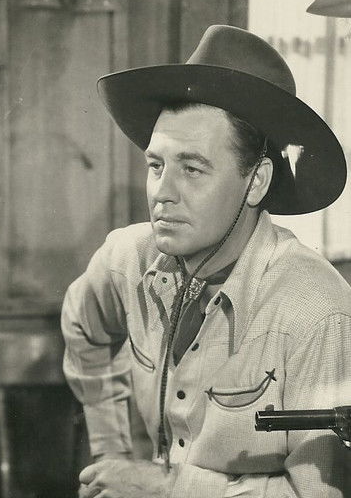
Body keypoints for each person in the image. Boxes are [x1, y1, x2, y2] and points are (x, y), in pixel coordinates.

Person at [61, 25, 351, 497]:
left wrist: (168, 488)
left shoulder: (318, 313)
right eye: (156, 166)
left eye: (192, 169)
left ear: (256, 182)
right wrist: (111, 450)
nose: (162, 193)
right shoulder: (126, 260)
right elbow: (82, 326)